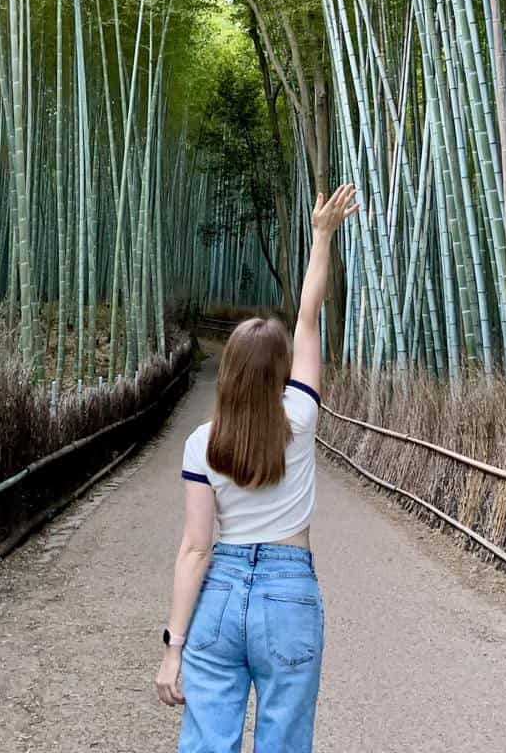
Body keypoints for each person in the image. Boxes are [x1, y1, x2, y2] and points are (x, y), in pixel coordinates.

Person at [155, 184, 359, 753]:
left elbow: (195, 548)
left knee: (206, 743)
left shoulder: (202, 444)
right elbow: (310, 315)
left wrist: (174, 646)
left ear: (229, 374)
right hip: (289, 595)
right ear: (280, 372)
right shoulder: (300, 415)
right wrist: (322, 237)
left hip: (218, 594)